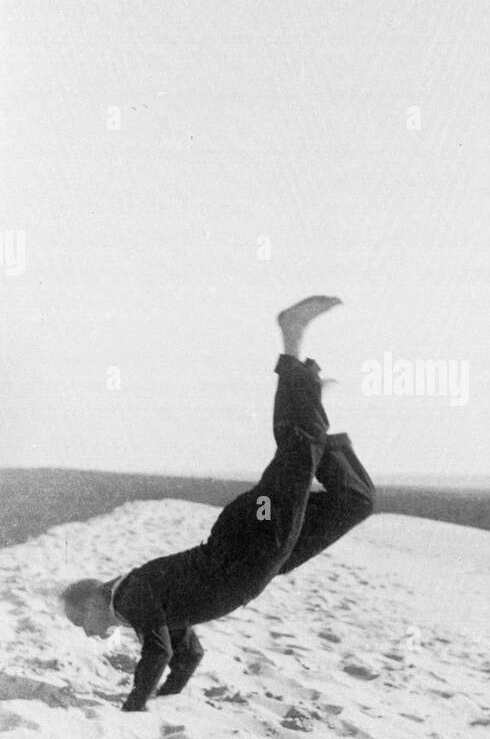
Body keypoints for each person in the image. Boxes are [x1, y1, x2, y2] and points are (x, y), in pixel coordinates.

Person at [61, 296, 375, 711]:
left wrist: (134, 705)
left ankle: (292, 341)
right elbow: (188, 655)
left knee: (298, 449)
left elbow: (159, 653)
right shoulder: (142, 600)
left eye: (80, 620)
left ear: (93, 600)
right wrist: (166, 695)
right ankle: (311, 408)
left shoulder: (129, 600)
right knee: (355, 500)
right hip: (259, 552)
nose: (86, 633)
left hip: (254, 537)